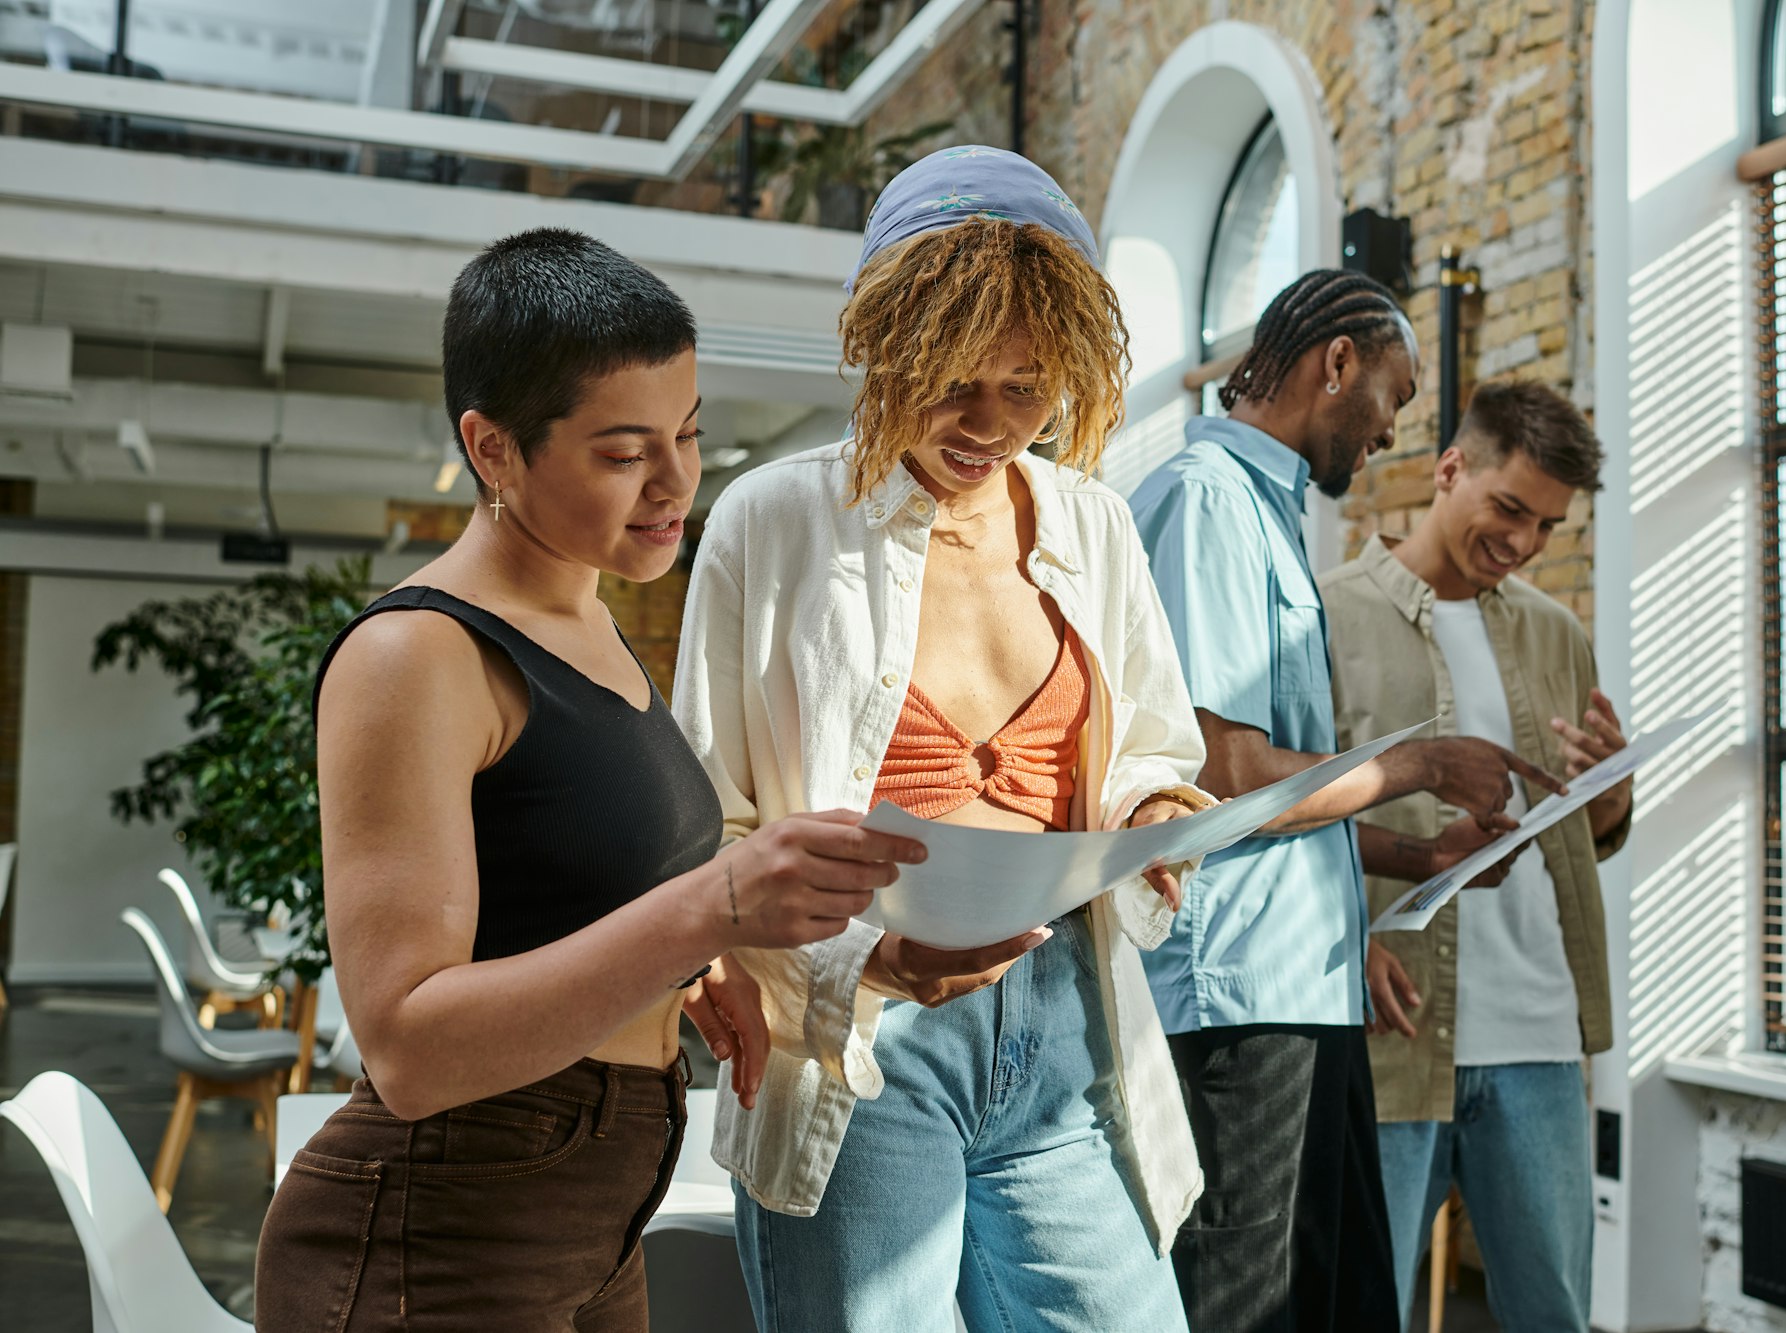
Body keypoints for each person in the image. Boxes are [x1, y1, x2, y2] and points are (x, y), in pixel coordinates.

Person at [254, 229, 923, 1333]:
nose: (674, 484)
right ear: (494, 448)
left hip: (589, 1217)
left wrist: (680, 976)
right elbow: (409, 1047)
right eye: (622, 454)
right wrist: (710, 906)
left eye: (688, 436)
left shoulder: (591, 621)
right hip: (443, 1232)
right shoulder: (416, 656)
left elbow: (557, 891)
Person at [673, 147, 1209, 1333]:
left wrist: (1157, 818)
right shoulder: (773, 523)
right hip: (860, 1045)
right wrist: (857, 961)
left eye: (1025, 389)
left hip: (1065, 1027)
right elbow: (706, 827)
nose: (988, 424)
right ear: (883, 345)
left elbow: (1153, 756)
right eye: (953, 381)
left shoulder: (1096, 527)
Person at [1126, 270, 1566, 1332]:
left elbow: (1291, 795)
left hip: (1306, 987)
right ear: (1336, 365)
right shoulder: (1207, 501)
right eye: (1393, 397)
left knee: (1346, 1298)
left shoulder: (1267, 511)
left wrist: (1421, 860)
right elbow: (1225, 780)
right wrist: (1417, 764)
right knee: (1248, 1304)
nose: (1388, 434)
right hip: (1240, 997)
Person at [1322, 378, 1631, 1332]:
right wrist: (1343, 926)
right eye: (1510, 508)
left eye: (1547, 525)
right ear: (1450, 467)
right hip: (1392, 1035)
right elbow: (1275, 811)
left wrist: (1611, 794)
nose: (1525, 542)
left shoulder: (1556, 631)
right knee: (1366, 1308)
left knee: (1554, 1315)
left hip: (1537, 1036)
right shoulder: (1326, 616)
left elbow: (1590, 832)